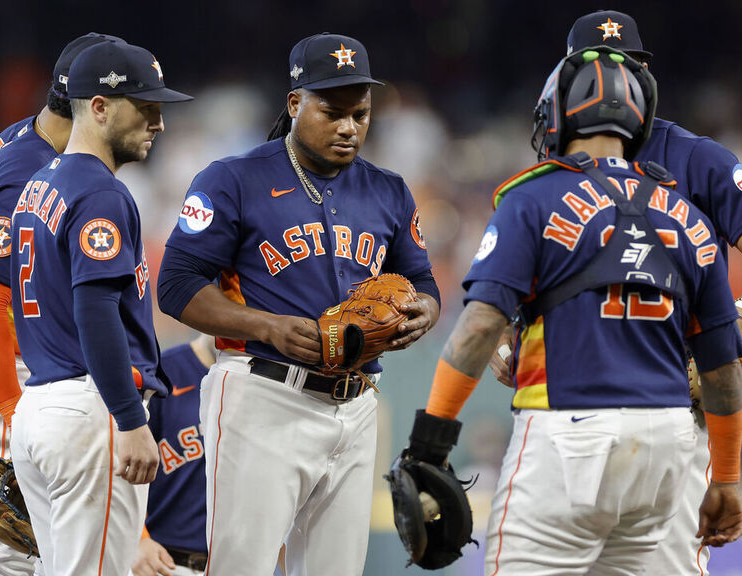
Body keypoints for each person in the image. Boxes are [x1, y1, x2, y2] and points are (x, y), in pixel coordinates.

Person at [403, 45, 742, 575]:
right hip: (668, 445)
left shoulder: (533, 198)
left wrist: (429, 442)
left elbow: (478, 329)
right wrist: (726, 476)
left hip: (569, 435)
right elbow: (722, 366)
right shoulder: (686, 214)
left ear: (558, 116)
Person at [157, 32, 440, 576]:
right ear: (294, 104)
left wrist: (425, 310)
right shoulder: (234, 180)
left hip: (356, 404)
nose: (348, 127)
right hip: (262, 394)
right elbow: (176, 284)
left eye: (360, 113)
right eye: (332, 112)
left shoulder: (388, 190)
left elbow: (422, 279)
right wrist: (266, 326)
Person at [7, 40, 192, 576]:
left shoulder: (38, 186)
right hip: (92, 409)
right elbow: (96, 313)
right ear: (99, 106)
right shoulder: (102, 194)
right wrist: (130, 419)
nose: (159, 122)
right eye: (146, 107)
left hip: (39, 407)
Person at [0, 32, 122, 576]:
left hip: (19, 374)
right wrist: (15, 414)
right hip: (3, 378)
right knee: (3, 559)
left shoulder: (29, 138)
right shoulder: (26, 174)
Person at [130, 334, 287, 576]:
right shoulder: (161, 371)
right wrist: (137, 540)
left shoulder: (271, 381)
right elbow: (120, 461)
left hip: (246, 564)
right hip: (166, 563)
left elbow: (279, 485)